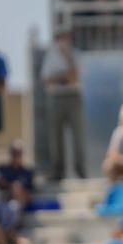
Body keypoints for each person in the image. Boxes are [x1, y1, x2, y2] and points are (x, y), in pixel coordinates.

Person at [40, 28, 86, 179]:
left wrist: (66, 59)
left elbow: (75, 78)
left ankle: (80, 170)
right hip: (56, 98)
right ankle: (57, 171)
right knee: (56, 136)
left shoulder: (76, 55)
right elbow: (47, 80)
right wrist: (64, 78)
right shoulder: (51, 56)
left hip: (73, 97)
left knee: (78, 136)